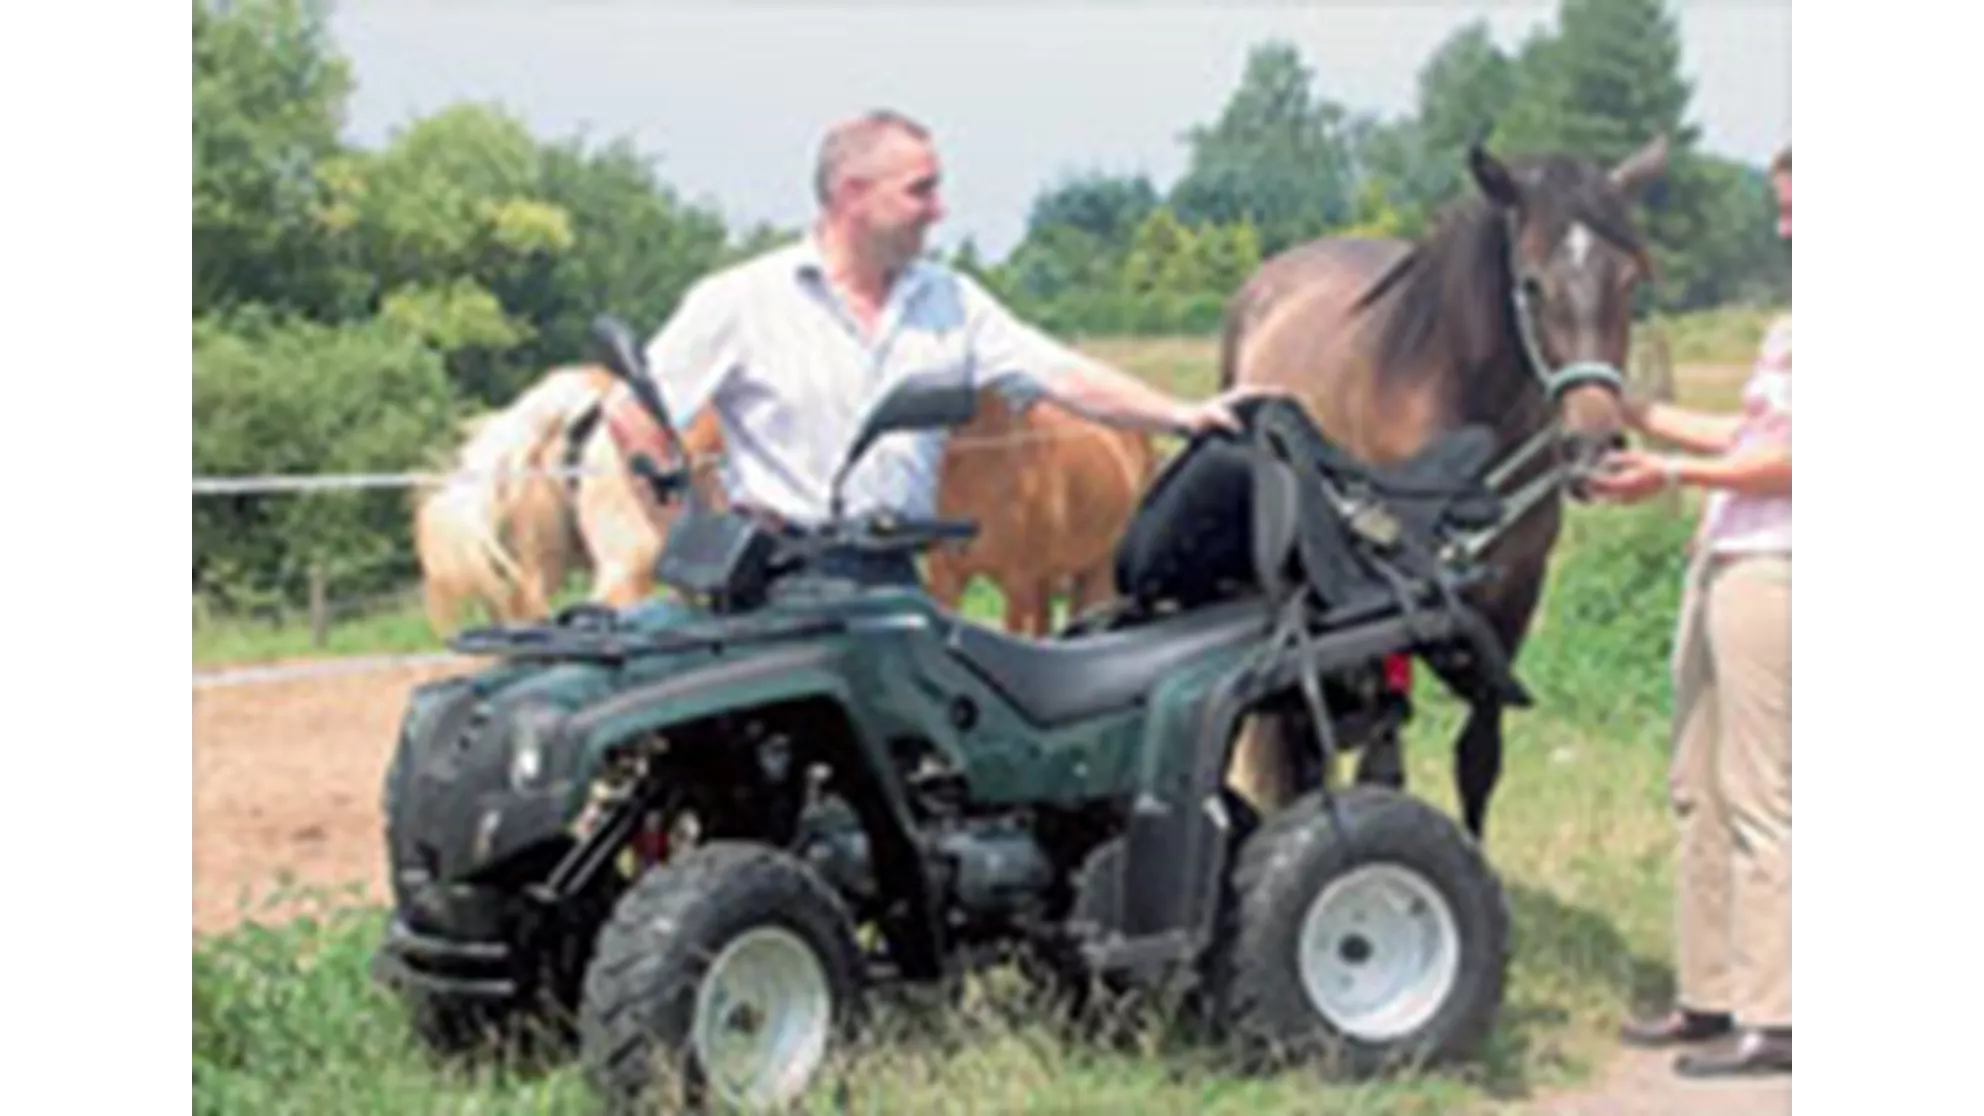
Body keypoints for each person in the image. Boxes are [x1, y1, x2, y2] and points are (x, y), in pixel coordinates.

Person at [600, 108, 1277, 587]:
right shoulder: (743, 300)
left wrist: (1183, 415)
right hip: (778, 586)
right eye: (920, 189)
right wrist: (686, 536)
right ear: (853, 195)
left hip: (892, 578)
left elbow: (1058, 372)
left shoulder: (949, 300)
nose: (939, 208)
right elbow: (634, 411)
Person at [1588, 143, 1791, 1078]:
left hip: (1773, 569)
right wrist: (1639, 416)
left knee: (1760, 794)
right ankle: (1708, 998)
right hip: (1725, 557)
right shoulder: (1786, 326)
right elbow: (1750, 435)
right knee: (1695, 785)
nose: (1783, 225)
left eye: (1794, 209)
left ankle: (1773, 1016)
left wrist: (1671, 474)